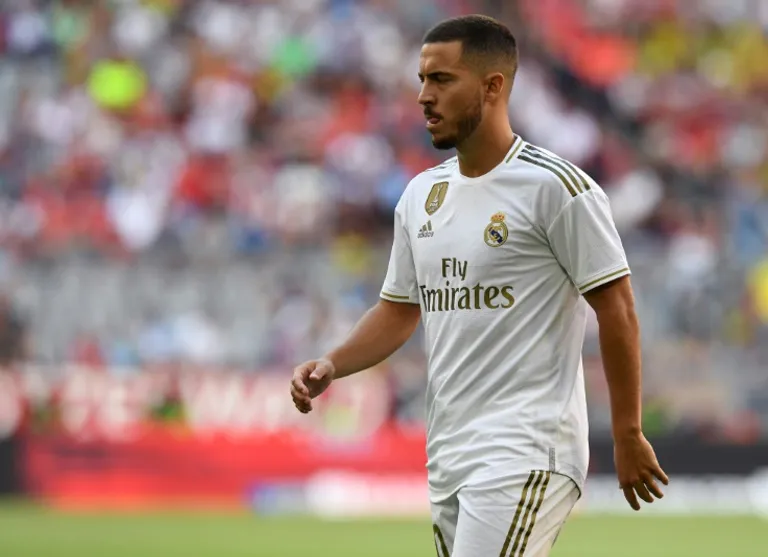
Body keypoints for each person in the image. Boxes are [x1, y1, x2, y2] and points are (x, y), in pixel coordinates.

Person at [290, 14, 668, 557]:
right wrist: (333, 363)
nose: (424, 96)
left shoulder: (556, 188)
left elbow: (618, 309)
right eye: (422, 79)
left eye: (442, 80)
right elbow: (398, 310)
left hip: (526, 447)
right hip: (449, 450)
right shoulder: (420, 197)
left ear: (493, 87)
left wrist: (627, 431)